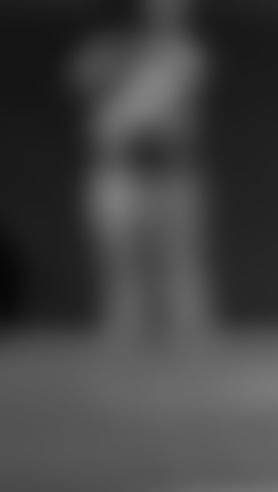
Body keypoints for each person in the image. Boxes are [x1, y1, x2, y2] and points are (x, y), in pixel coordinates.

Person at [74, 0, 210, 349]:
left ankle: (193, 361)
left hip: (171, 171)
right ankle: (123, 356)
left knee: (180, 272)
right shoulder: (100, 49)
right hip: (119, 170)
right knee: (123, 275)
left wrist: (154, 48)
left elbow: (182, 84)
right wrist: (123, 59)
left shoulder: (182, 53)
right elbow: (85, 82)